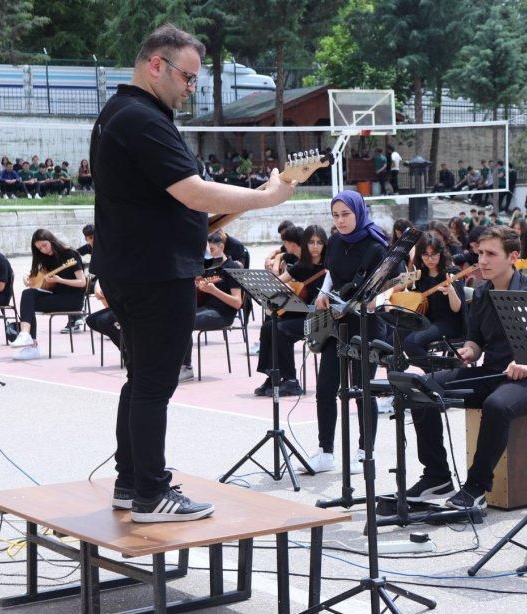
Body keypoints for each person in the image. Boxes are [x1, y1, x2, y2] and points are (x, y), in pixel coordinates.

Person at [90, 24, 296, 523]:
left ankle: (132, 481)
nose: (190, 88)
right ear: (155, 65)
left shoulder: (124, 114)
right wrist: (267, 197)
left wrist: (228, 211)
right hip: (153, 275)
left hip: (133, 268)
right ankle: (151, 495)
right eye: (187, 77)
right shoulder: (141, 118)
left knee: (141, 380)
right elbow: (193, 191)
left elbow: (172, 204)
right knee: (155, 384)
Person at [407, 226, 527, 508]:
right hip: (490, 372)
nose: (482, 260)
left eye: (491, 254)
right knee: (422, 387)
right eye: (480, 253)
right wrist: (469, 351)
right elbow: (476, 341)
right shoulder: (483, 292)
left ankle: (476, 487)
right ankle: (437, 476)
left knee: (497, 405)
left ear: (513, 256)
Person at [309, 190, 389, 475]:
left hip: (366, 324)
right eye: (336, 215)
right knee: (325, 388)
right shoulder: (333, 241)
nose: (341, 221)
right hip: (336, 323)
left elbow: (394, 282)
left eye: (346, 214)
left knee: (362, 390)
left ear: (359, 212)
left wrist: (375, 300)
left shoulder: (377, 244)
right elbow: (331, 273)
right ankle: (325, 451)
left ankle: (364, 452)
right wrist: (322, 293)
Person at [253, 225, 327, 399]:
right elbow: (276, 283)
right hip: (304, 314)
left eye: (319, 242)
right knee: (268, 327)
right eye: (310, 242)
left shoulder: (330, 266)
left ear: (325, 244)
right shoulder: (302, 266)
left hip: (321, 318)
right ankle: (273, 376)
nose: (315, 246)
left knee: (280, 330)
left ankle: (291, 380)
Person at [9, 230, 87, 360]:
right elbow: (36, 279)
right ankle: (26, 337)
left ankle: (30, 344)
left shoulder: (69, 254)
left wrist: (59, 280)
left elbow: (82, 282)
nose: (43, 250)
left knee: (29, 303)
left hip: (72, 299)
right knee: (27, 295)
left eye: (44, 245)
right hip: (56, 296)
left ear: (51, 240)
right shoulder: (45, 257)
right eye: (39, 248)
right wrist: (28, 279)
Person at [180, 232, 243, 381]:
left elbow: (237, 302)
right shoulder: (212, 267)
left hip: (223, 315)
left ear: (222, 247)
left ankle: (186, 368)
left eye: (212, 250)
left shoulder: (232, 268)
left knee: (183, 323)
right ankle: (173, 364)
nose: (210, 254)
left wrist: (214, 291)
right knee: (176, 317)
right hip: (207, 309)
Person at [397, 232, 465, 362]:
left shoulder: (452, 273)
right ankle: (398, 375)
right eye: (426, 255)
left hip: (449, 323)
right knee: (395, 336)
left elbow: (457, 309)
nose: (430, 259)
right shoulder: (421, 274)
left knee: (411, 343)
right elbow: (399, 285)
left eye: (434, 254)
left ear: (441, 254)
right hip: (427, 321)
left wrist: (451, 291)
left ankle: (436, 375)